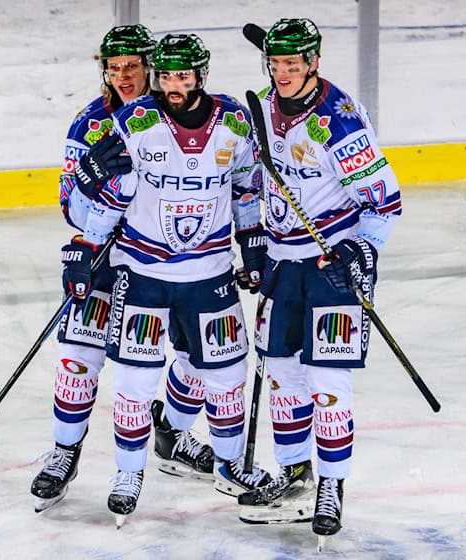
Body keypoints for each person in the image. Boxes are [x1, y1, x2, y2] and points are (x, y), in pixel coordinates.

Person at [70, 33, 272, 525]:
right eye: (165, 77)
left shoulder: (235, 122)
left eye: (183, 76)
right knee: (135, 381)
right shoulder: (134, 122)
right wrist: (86, 246)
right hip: (143, 275)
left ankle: (231, 464)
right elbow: (110, 196)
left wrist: (252, 240)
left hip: (209, 276)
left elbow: (246, 185)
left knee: (226, 375)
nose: (173, 86)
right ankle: (128, 473)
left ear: (201, 75)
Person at [30, 25, 215, 513]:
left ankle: (172, 432)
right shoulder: (90, 123)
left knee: (199, 357)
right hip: (106, 264)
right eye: (114, 68)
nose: (123, 76)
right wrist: (90, 180)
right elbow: (69, 206)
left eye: (133, 65)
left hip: (173, 262)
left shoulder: (180, 114)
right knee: (77, 358)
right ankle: (64, 453)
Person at [236, 18, 403, 543]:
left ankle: (332, 484)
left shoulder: (339, 120)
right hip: (284, 266)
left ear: (313, 63)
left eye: (292, 64)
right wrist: (256, 243)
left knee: (329, 382)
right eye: (276, 64)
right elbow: (248, 183)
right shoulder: (259, 110)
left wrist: (361, 248)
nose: (282, 73)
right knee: (283, 374)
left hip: (332, 265)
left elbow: (385, 202)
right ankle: (295, 473)